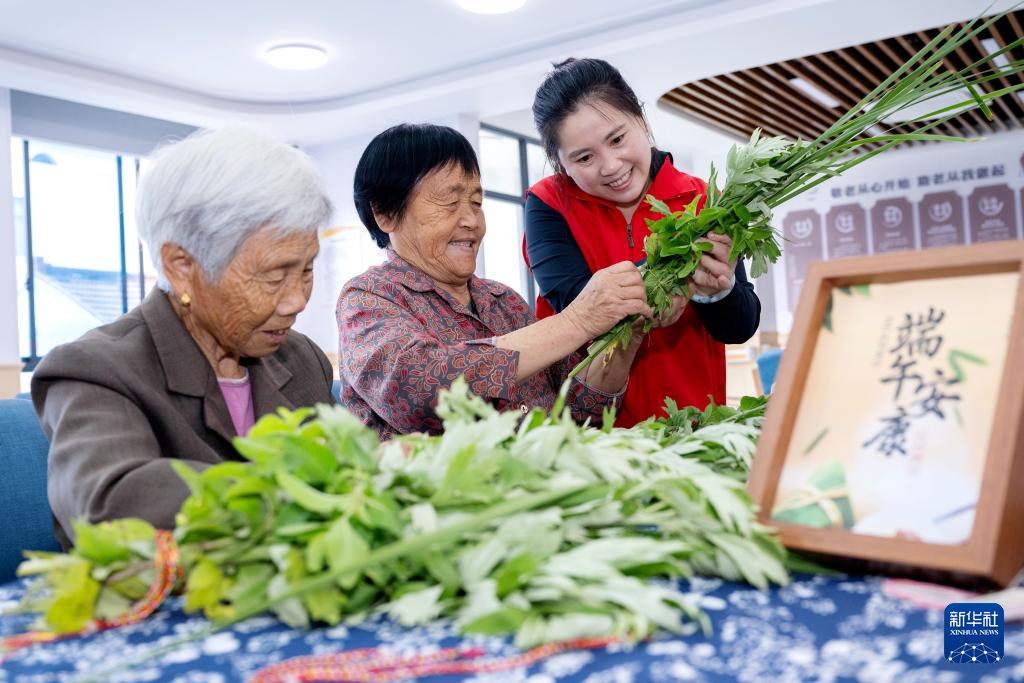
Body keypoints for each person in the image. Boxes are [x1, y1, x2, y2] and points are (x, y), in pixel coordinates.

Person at [33, 128, 337, 548]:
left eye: (306, 269)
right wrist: (306, 489)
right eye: (274, 275)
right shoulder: (96, 370)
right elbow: (111, 507)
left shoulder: (301, 359)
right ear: (181, 266)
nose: (297, 300)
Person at [337, 123, 657, 440]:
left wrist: (626, 331)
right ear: (385, 214)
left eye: (476, 203)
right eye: (449, 202)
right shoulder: (367, 298)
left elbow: (581, 409)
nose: (471, 221)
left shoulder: (504, 301)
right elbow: (420, 389)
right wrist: (578, 320)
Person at [525, 58, 761, 427]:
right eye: (584, 157)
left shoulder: (702, 199)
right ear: (560, 164)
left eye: (617, 139)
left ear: (642, 121)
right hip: (591, 431)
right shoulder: (548, 204)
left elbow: (740, 327)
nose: (611, 166)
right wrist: (680, 272)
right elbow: (575, 301)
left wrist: (715, 290)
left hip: (691, 426)